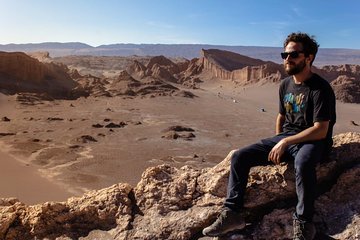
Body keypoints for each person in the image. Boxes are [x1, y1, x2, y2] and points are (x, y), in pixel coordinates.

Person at [202, 32, 336, 240]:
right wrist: (278, 142)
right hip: (288, 138)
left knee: (302, 164)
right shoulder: (285, 85)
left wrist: (285, 141)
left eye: (293, 55)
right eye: (284, 55)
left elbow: (321, 129)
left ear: (308, 57)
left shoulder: (320, 88)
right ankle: (232, 214)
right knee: (239, 156)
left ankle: (304, 223)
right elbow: (281, 116)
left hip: (313, 141)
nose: (287, 59)